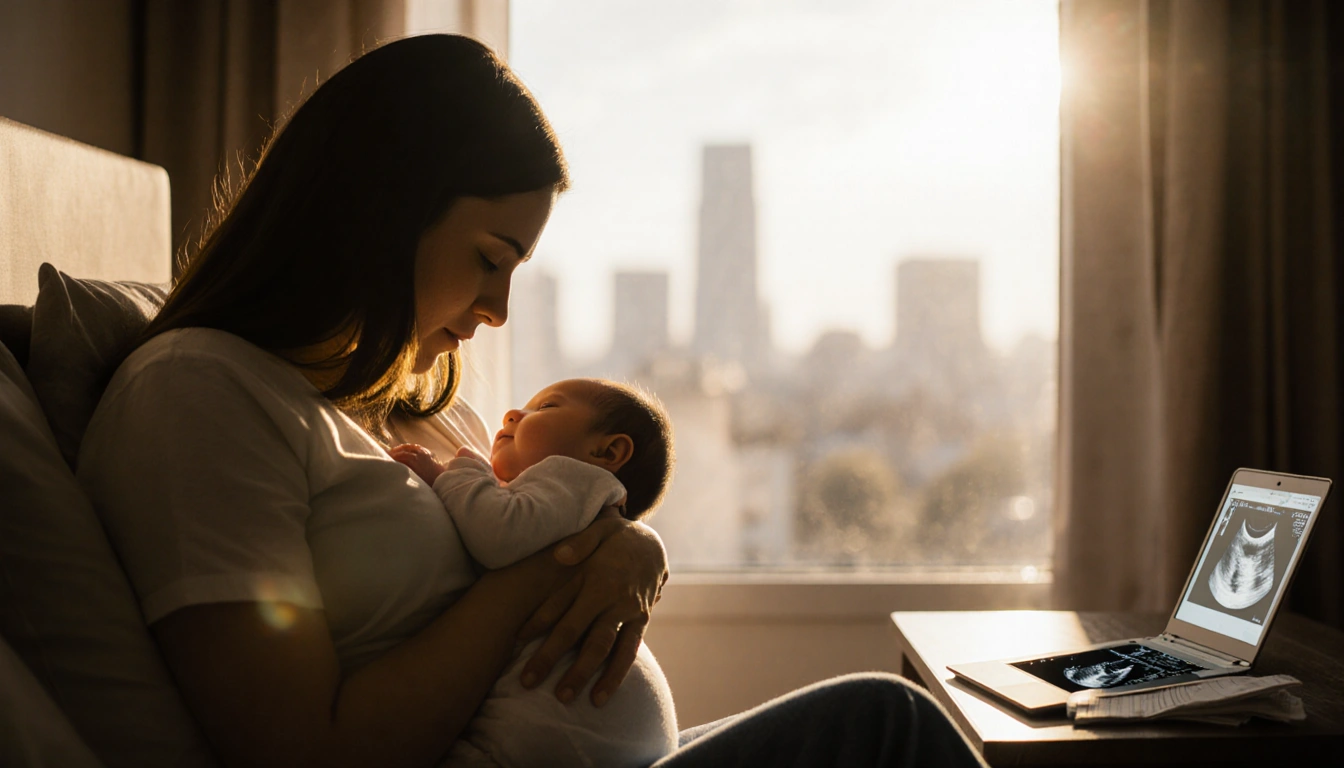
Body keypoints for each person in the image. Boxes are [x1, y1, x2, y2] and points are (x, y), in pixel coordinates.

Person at [76, 33, 988, 768]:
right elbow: (308, 751)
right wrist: (545, 572)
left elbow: (543, 521)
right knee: (886, 727)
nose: (498, 311)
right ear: (381, 211)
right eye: (489, 259)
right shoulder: (200, 394)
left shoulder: (427, 406)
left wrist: (629, 541)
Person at [388, 378, 678, 768]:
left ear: (607, 451)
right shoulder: (567, 503)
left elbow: (497, 536)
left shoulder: (575, 478)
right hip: (603, 732)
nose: (512, 414)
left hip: (566, 730)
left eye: (546, 407)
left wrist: (452, 474)